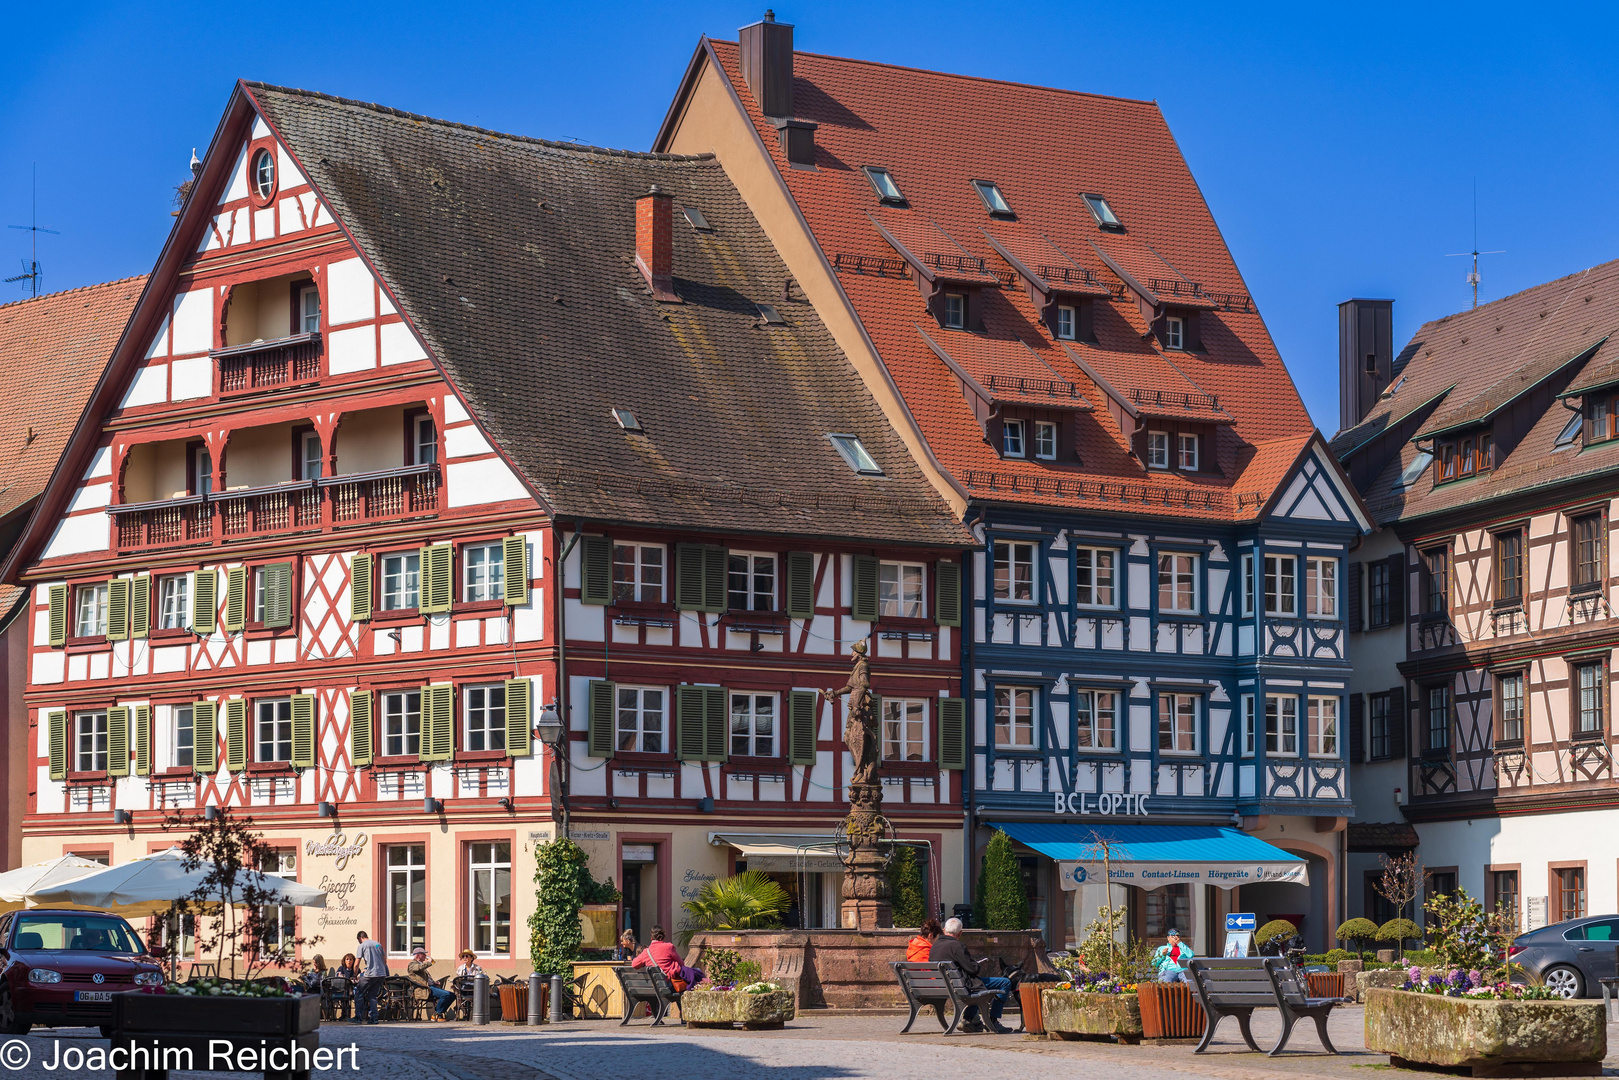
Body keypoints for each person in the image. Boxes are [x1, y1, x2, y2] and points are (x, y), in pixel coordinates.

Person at [929, 917, 1012, 1034]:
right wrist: (976, 965)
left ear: (944, 930)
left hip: (943, 986)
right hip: (961, 985)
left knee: (978, 988)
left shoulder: (934, 947)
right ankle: (993, 1020)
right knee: (1004, 982)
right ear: (960, 933)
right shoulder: (957, 946)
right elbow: (973, 970)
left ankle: (968, 1019)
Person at [630, 925, 704, 989]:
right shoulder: (669, 947)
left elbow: (634, 964)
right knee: (696, 973)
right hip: (669, 985)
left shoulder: (646, 952)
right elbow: (681, 963)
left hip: (654, 986)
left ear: (651, 938)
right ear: (663, 936)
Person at [407, 947, 457, 1020]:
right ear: (418, 955)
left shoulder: (420, 964)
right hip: (424, 989)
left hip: (431, 987)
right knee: (446, 995)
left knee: (452, 995)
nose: (425, 956)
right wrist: (429, 962)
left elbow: (424, 977)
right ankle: (437, 1014)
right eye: (423, 954)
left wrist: (434, 982)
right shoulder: (412, 964)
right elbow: (418, 968)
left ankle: (439, 1013)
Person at [354, 930, 388, 1024]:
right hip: (381, 974)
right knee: (372, 995)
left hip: (370, 974)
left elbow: (356, 964)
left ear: (360, 938)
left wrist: (354, 975)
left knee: (359, 992)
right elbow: (385, 961)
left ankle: (358, 1017)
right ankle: (374, 1018)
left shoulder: (362, 946)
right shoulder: (378, 944)